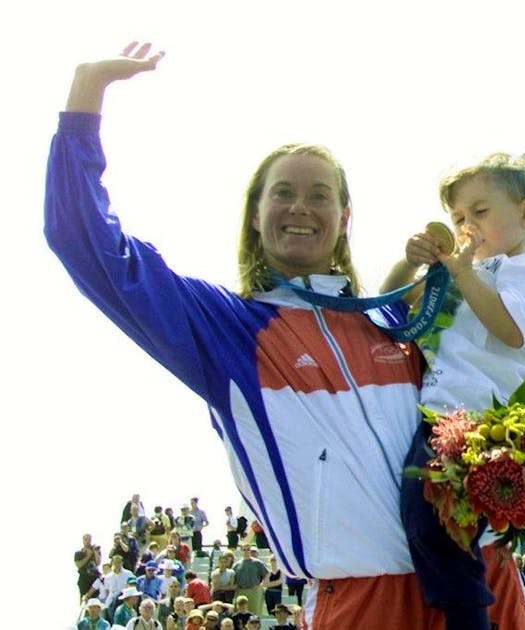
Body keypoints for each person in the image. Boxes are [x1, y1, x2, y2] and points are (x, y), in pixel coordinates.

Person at [45, 42, 493, 629]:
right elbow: (90, 248)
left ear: (344, 217)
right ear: (255, 215)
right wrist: (86, 98)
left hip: (465, 590)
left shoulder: (391, 321)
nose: (300, 208)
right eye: (282, 193)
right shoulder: (226, 328)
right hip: (359, 605)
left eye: (318, 195)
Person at [381, 150, 525, 630]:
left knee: (435, 526)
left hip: (487, 427)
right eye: (458, 217)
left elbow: (509, 328)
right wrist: (409, 266)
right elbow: (389, 311)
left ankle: (469, 618)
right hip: (440, 419)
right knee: (424, 521)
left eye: (480, 213)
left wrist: (462, 273)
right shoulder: (465, 276)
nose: (466, 227)